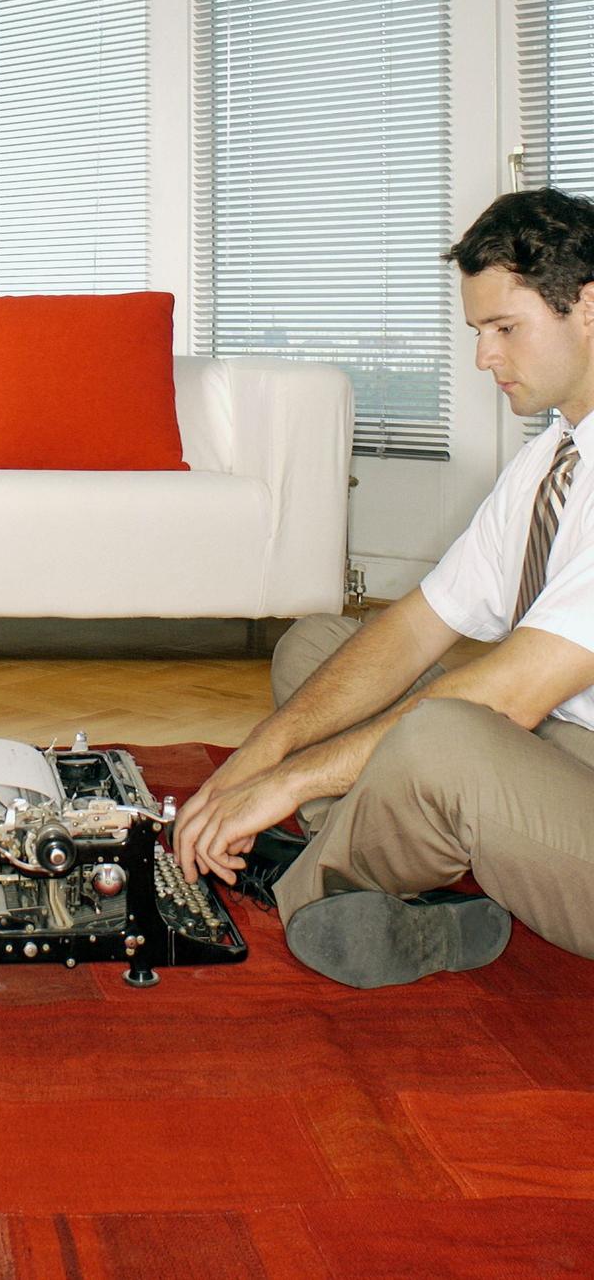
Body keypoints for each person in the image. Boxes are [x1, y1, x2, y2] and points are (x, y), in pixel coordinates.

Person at [175, 186, 594, 988]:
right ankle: (392, 890)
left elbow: (507, 697)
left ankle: (299, 888)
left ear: (586, 307)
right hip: (557, 752)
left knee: (445, 731)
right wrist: (261, 750)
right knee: (320, 647)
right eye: (478, 332)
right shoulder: (552, 460)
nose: (483, 358)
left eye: (505, 328)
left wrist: (286, 781)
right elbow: (414, 627)